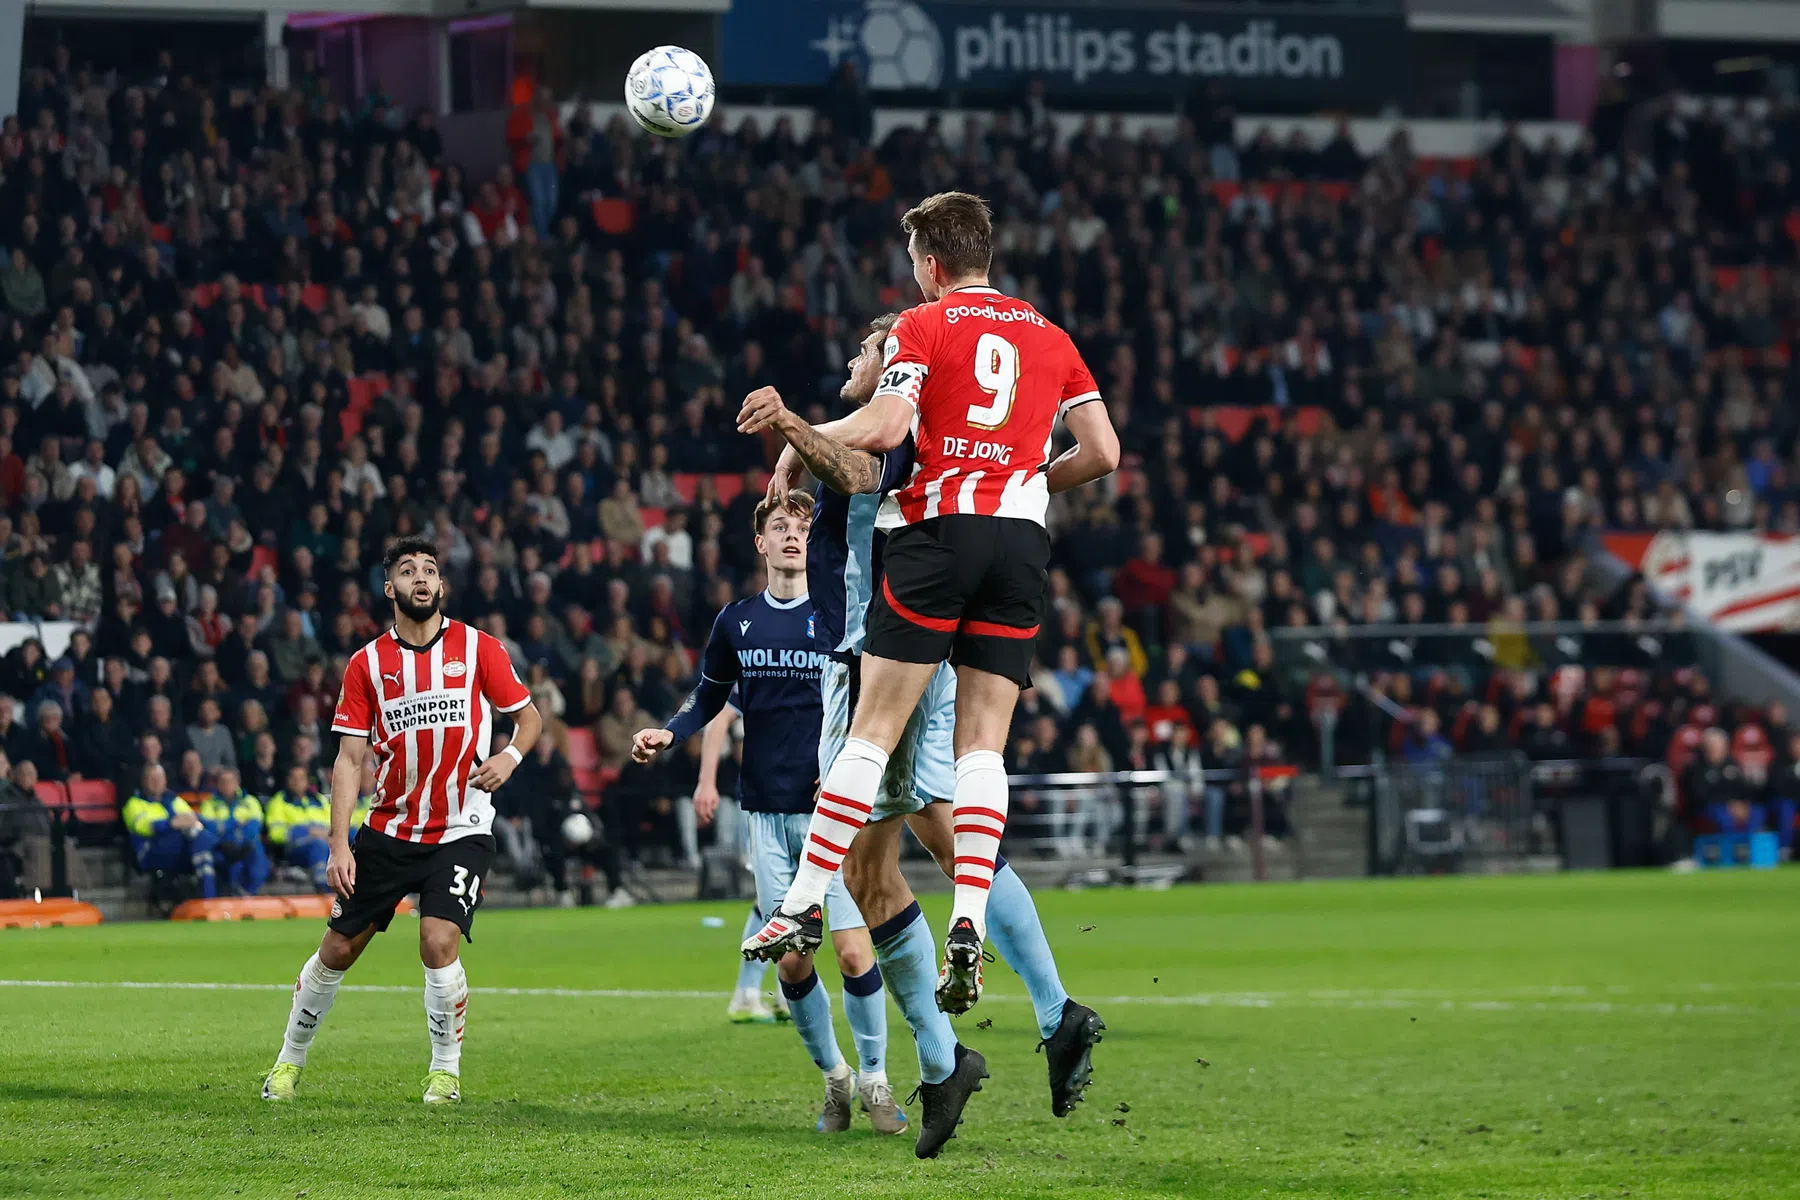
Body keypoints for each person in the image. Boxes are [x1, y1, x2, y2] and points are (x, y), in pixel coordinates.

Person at [738, 192, 1116, 1141]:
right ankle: (1023, 1025)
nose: (855, 368)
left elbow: (873, 460)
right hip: (967, 594)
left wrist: (794, 432)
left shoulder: (921, 380)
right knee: (915, 846)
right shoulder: (1038, 339)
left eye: (863, 357)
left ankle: (961, 1049)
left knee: (887, 855)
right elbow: (1100, 449)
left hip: (898, 643)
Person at [630, 492, 905, 1136]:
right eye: (779, 526)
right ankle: (835, 1080)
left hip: (828, 813)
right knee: (792, 962)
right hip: (764, 813)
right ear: (760, 543)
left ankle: (876, 1080)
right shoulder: (737, 621)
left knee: (853, 952)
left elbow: (870, 698)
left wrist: (851, 763)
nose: (791, 536)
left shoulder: (837, 614)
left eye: (801, 527)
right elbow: (710, 694)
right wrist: (671, 731)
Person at [261, 536, 542, 1105]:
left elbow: (529, 717)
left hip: (461, 827)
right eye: (409, 570)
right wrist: (339, 844)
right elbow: (349, 760)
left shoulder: (479, 647)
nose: (421, 578)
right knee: (338, 950)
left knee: (438, 940)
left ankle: (445, 1073)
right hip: (389, 829)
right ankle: (288, 1061)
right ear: (390, 588)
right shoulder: (366, 664)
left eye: (430, 570)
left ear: (441, 586)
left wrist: (509, 758)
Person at [122, 761, 219, 898]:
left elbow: (191, 819)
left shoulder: (174, 800)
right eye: (152, 779)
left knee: (202, 848)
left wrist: (188, 821)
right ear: (144, 781)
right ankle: (219, 848)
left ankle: (211, 897)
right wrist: (171, 823)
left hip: (181, 848)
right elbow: (142, 827)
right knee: (202, 843)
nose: (157, 782)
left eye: (160, 778)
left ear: (165, 781)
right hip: (151, 850)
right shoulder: (134, 803)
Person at [200, 766, 270, 896]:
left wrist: (226, 827)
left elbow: (254, 827)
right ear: (218, 784)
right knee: (224, 857)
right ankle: (233, 892)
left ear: (237, 783)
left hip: (246, 844)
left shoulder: (251, 801)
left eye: (230, 781)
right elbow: (210, 828)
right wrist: (236, 823)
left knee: (257, 855)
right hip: (222, 846)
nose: (226, 785)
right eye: (223, 781)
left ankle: (248, 892)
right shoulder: (209, 804)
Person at [266, 764, 332, 892]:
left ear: (307, 781)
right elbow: (275, 833)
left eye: (301, 778)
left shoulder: (320, 800)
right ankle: (324, 887)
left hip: (326, 843)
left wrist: (327, 833)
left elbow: (334, 824)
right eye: (293, 778)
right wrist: (307, 832)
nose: (297, 782)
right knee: (318, 845)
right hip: (294, 849)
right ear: (287, 780)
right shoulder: (279, 802)